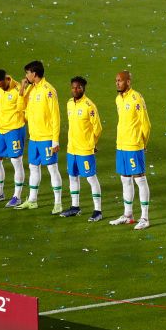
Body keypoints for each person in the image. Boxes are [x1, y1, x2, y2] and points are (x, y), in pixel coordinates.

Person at [15, 60, 63, 213]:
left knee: (52, 169)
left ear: (34, 74)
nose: (25, 76)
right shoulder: (31, 89)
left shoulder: (49, 91)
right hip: (34, 137)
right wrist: (22, 88)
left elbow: (56, 117)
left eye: (27, 73)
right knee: (33, 168)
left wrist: (55, 139)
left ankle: (58, 203)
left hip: (47, 138)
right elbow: (20, 108)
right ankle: (32, 200)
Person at [60, 76, 103, 221]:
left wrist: (92, 144)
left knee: (91, 178)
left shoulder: (89, 106)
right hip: (71, 149)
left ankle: (98, 210)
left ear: (83, 88)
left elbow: (97, 128)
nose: (75, 90)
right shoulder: (69, 104)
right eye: (73, 87)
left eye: (78, 87)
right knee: (73, 177)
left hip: (85, 149)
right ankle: (75, 207)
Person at [112, 70, 151, 229]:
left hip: (134, 145)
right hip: (121, 145)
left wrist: (143, 143)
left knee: (140, 179)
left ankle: (145, 218)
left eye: (120, 80)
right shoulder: (118, 99)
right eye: (116, 81)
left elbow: (146, 124)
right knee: (125, 179)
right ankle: (128, 215)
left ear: (128, 82)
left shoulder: (136, 98)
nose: (117, 83)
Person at [0, 69, 26, 206]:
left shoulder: (19, 88)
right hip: (0, 129)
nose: (0, 86)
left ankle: (17, 196)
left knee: (16, 162)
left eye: (2, 84)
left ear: (7, 79)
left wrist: (21, 94)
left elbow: (23, 108)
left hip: (15, 129)